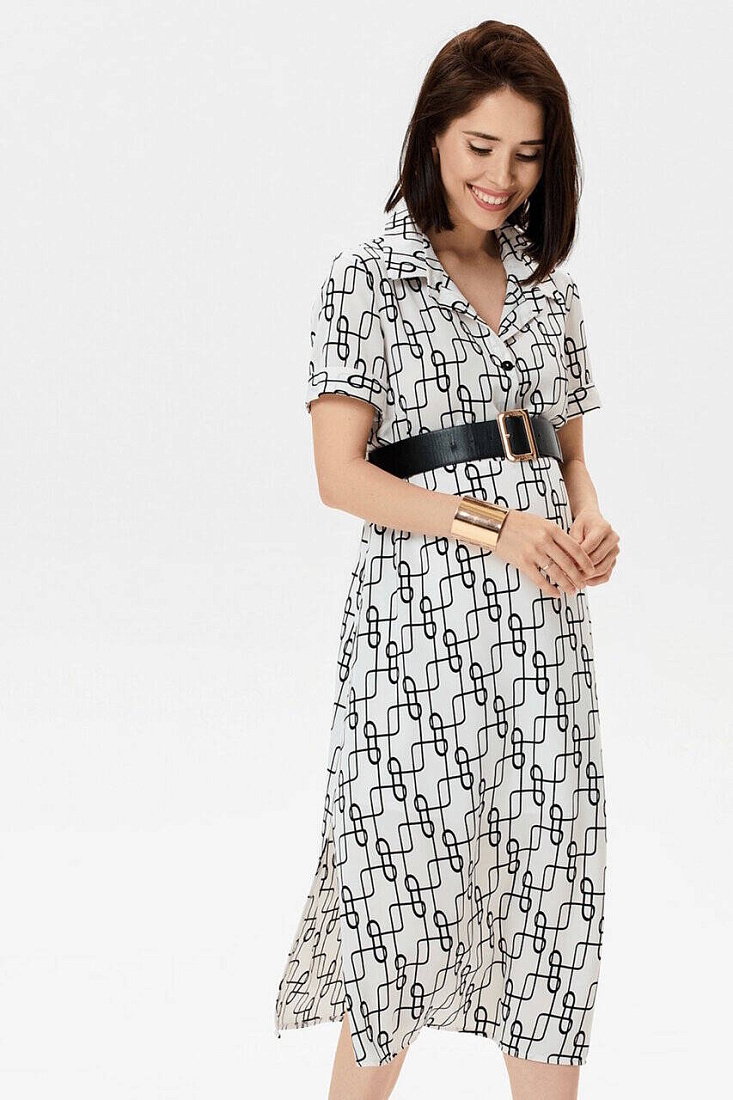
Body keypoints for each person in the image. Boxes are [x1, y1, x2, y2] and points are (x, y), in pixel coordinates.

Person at [274, 18, 620, 1100]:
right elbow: (341, 476)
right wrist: (494, 527)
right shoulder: (367, 277)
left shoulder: (550, 287)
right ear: (433, 133)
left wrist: (589, 520)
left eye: (526, 155)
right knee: (400, 898)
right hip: (417, 630)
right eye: (479, 146)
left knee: (551, 890)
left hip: (545, 626)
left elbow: (568, 455)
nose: (500, 177)